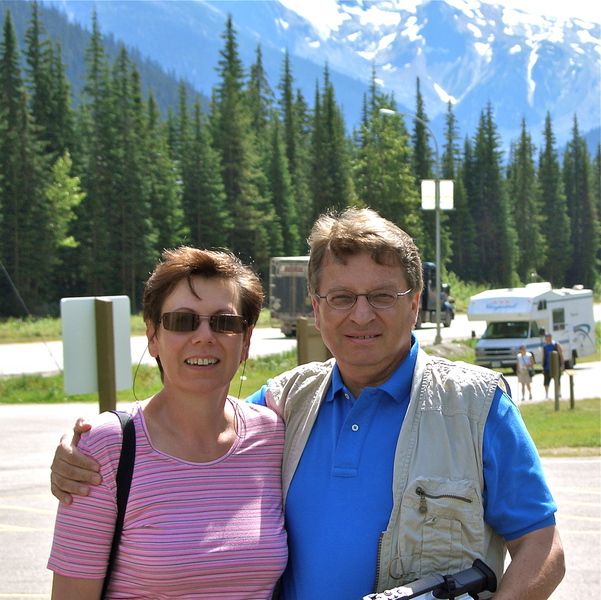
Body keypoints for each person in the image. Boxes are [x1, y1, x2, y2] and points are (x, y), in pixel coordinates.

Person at [50, 208, 565, 600]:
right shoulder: (284, 405)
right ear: (317, 310)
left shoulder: (476, 406)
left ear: (414, 304)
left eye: (382, 296)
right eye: (341, 298)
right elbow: (195, 415)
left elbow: (543, 549)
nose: (360, 315)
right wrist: (86, 447)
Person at [47, 247, 287, 599]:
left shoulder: (273, 436)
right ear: (153, 337)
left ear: (246, 341)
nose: (204, 336)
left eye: (224, 322)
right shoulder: (106, 448)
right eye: (182, 321)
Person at [542, 332, 565, 399]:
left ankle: (559, 392)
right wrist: (543, 367)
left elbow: (561, 354)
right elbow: (543, 357)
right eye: (546, 337)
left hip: (556, 366)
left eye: (548, 337)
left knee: (557, 380)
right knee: (546, 381)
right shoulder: (544, 346)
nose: (547, 338)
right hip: (547, 366)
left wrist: (562, 365)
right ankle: (546, 394)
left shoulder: (556, 344)